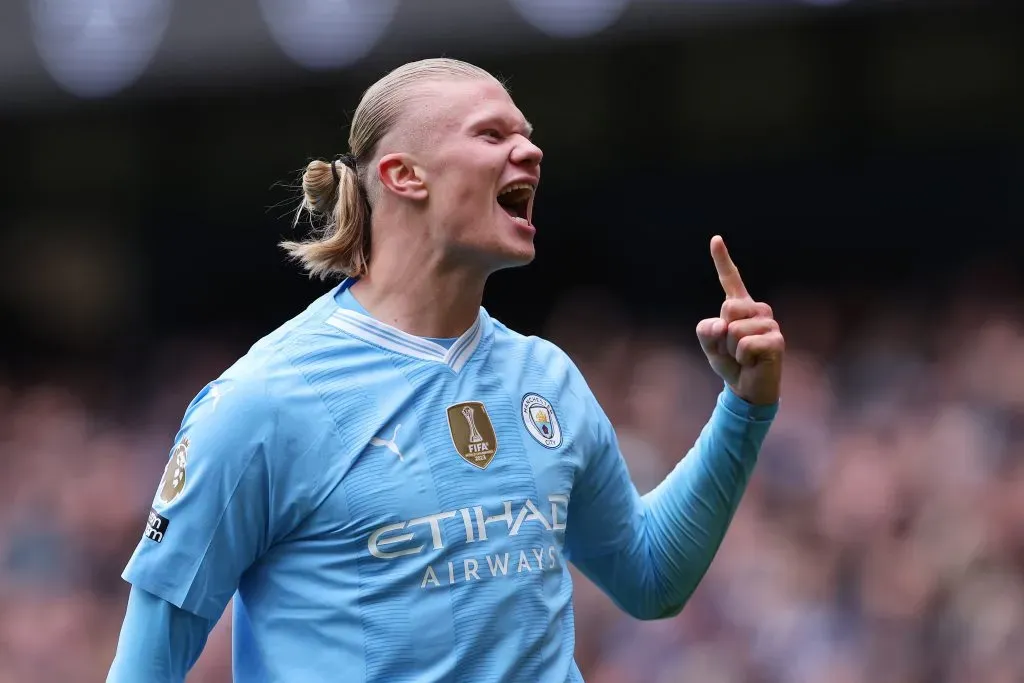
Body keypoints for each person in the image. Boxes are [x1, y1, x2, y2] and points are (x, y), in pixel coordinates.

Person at [107, 57, 784, 682]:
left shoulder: (545, 377)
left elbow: (651, 577)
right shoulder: (262, 401)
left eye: (527, 136)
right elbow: (146, 664)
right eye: (492, 134)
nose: (531, 152)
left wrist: (744, 405)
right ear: (405, 175)